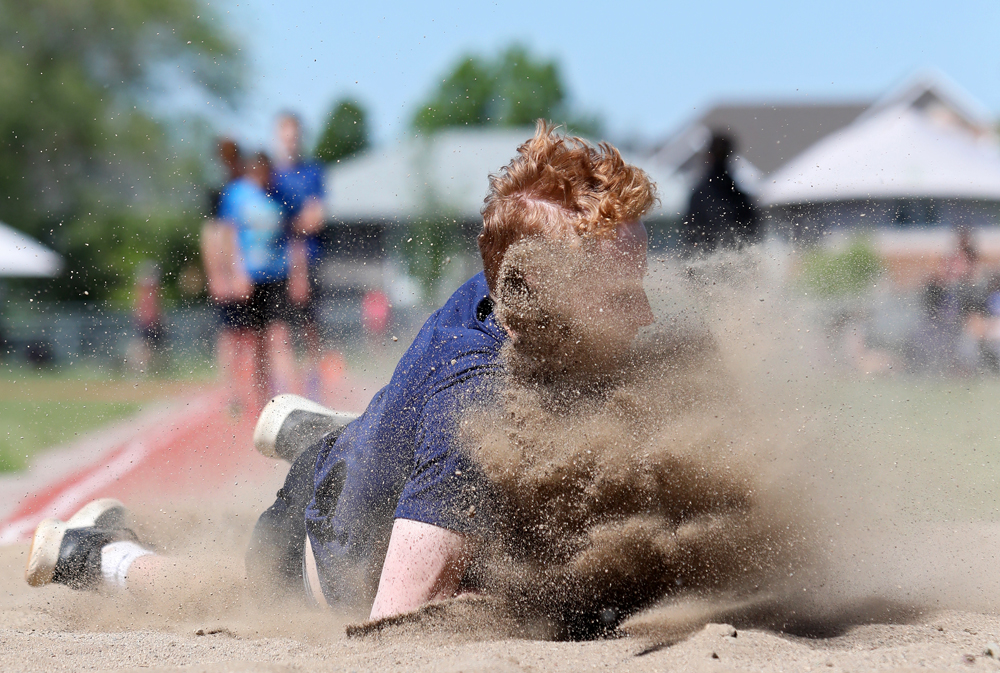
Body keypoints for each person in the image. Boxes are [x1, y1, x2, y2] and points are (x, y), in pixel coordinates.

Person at [24, 121, 658, 623]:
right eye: (621, 293)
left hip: (380, 456)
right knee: (207, 590)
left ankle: (345, 435)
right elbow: (393, 627)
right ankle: (100, 555)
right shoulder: (473, 419)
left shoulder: (510, 269)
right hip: (306, 545)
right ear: (531, 292)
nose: (647, 312)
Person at [219, 151, 297, 407]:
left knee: (278, 335)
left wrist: (297, 273)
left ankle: (282, 396)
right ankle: (248, 396)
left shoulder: (280, 194)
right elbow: (228, 236)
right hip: (249, 277)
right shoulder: (235, 195)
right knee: (251, 339)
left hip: (277, 275)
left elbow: (292, 235)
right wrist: (235, 273)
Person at [270, 112, 327, 396]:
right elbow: (268, 220)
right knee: (278, 328)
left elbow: (316, 218)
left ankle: (312, 389)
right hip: (275, 263)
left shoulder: (313, 172)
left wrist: (288, 223)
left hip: (310, 258)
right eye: (285, 135)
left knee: (309, 326)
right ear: (277, 137)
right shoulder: (271, 175)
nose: (290, 141)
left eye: (294, 135)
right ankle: (281, 390)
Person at [201, 139, 254, 412]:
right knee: (230, 335)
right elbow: (213, 233)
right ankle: (232, 393)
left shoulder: (247, 187)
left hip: (250, 270)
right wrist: (218, 274)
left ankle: (250, 393)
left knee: (249, 335)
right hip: (230, 272)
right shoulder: (218, 190)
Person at [682, 133, 759, 254]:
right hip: (734, 260)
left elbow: (689, 235)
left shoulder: (699, 195)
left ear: (709, 156)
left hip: (706, 260)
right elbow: (753, 234)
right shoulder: (740, 197)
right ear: (731, 155)